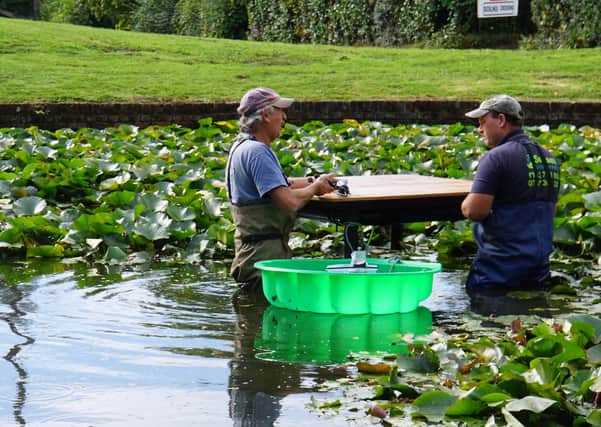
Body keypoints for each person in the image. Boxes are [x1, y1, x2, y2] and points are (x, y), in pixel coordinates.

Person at [225, 87, 337, 292]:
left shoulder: (242, 146)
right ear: (266, 115)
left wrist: (314, 179)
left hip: (253, 255)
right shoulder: (258, 152)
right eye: (280, 110)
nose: (284, 117)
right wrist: (315, 188)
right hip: (263, 258)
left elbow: (279, 184)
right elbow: (288, 201)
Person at [461, 94, 560, 291]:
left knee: (485, 317)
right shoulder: (549, 158)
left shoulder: (496, 157)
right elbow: (552, 210)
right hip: (538, 269)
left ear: (501, 120)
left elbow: (475, 211)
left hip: (499, 269)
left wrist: (465, 205)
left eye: (482, 122)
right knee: (531, 318)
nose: (480, 129)